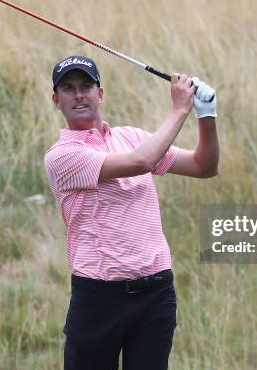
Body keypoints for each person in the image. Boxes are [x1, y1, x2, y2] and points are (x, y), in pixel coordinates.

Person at [44, 55, 219, 370]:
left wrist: (206, 115)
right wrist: (180, 109)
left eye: (86, 86)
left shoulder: (133, 138)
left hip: (156, 293)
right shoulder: (62, 156)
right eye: (68, 89)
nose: (79, 94)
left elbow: (202, 166)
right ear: (57, 100)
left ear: (101, 94)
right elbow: (141, 162)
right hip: (99, 298)